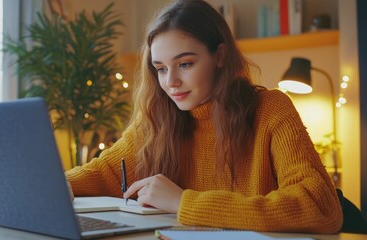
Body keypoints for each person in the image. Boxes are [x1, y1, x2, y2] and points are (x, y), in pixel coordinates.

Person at [65, 0, 343, 233]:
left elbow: (320, 206)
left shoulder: (271, 109)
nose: (171, 81)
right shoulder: (158, 119)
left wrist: (184, 202)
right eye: (161, 68)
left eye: (185, 64)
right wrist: (59, 184)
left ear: (219, 56)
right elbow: (102, 174)